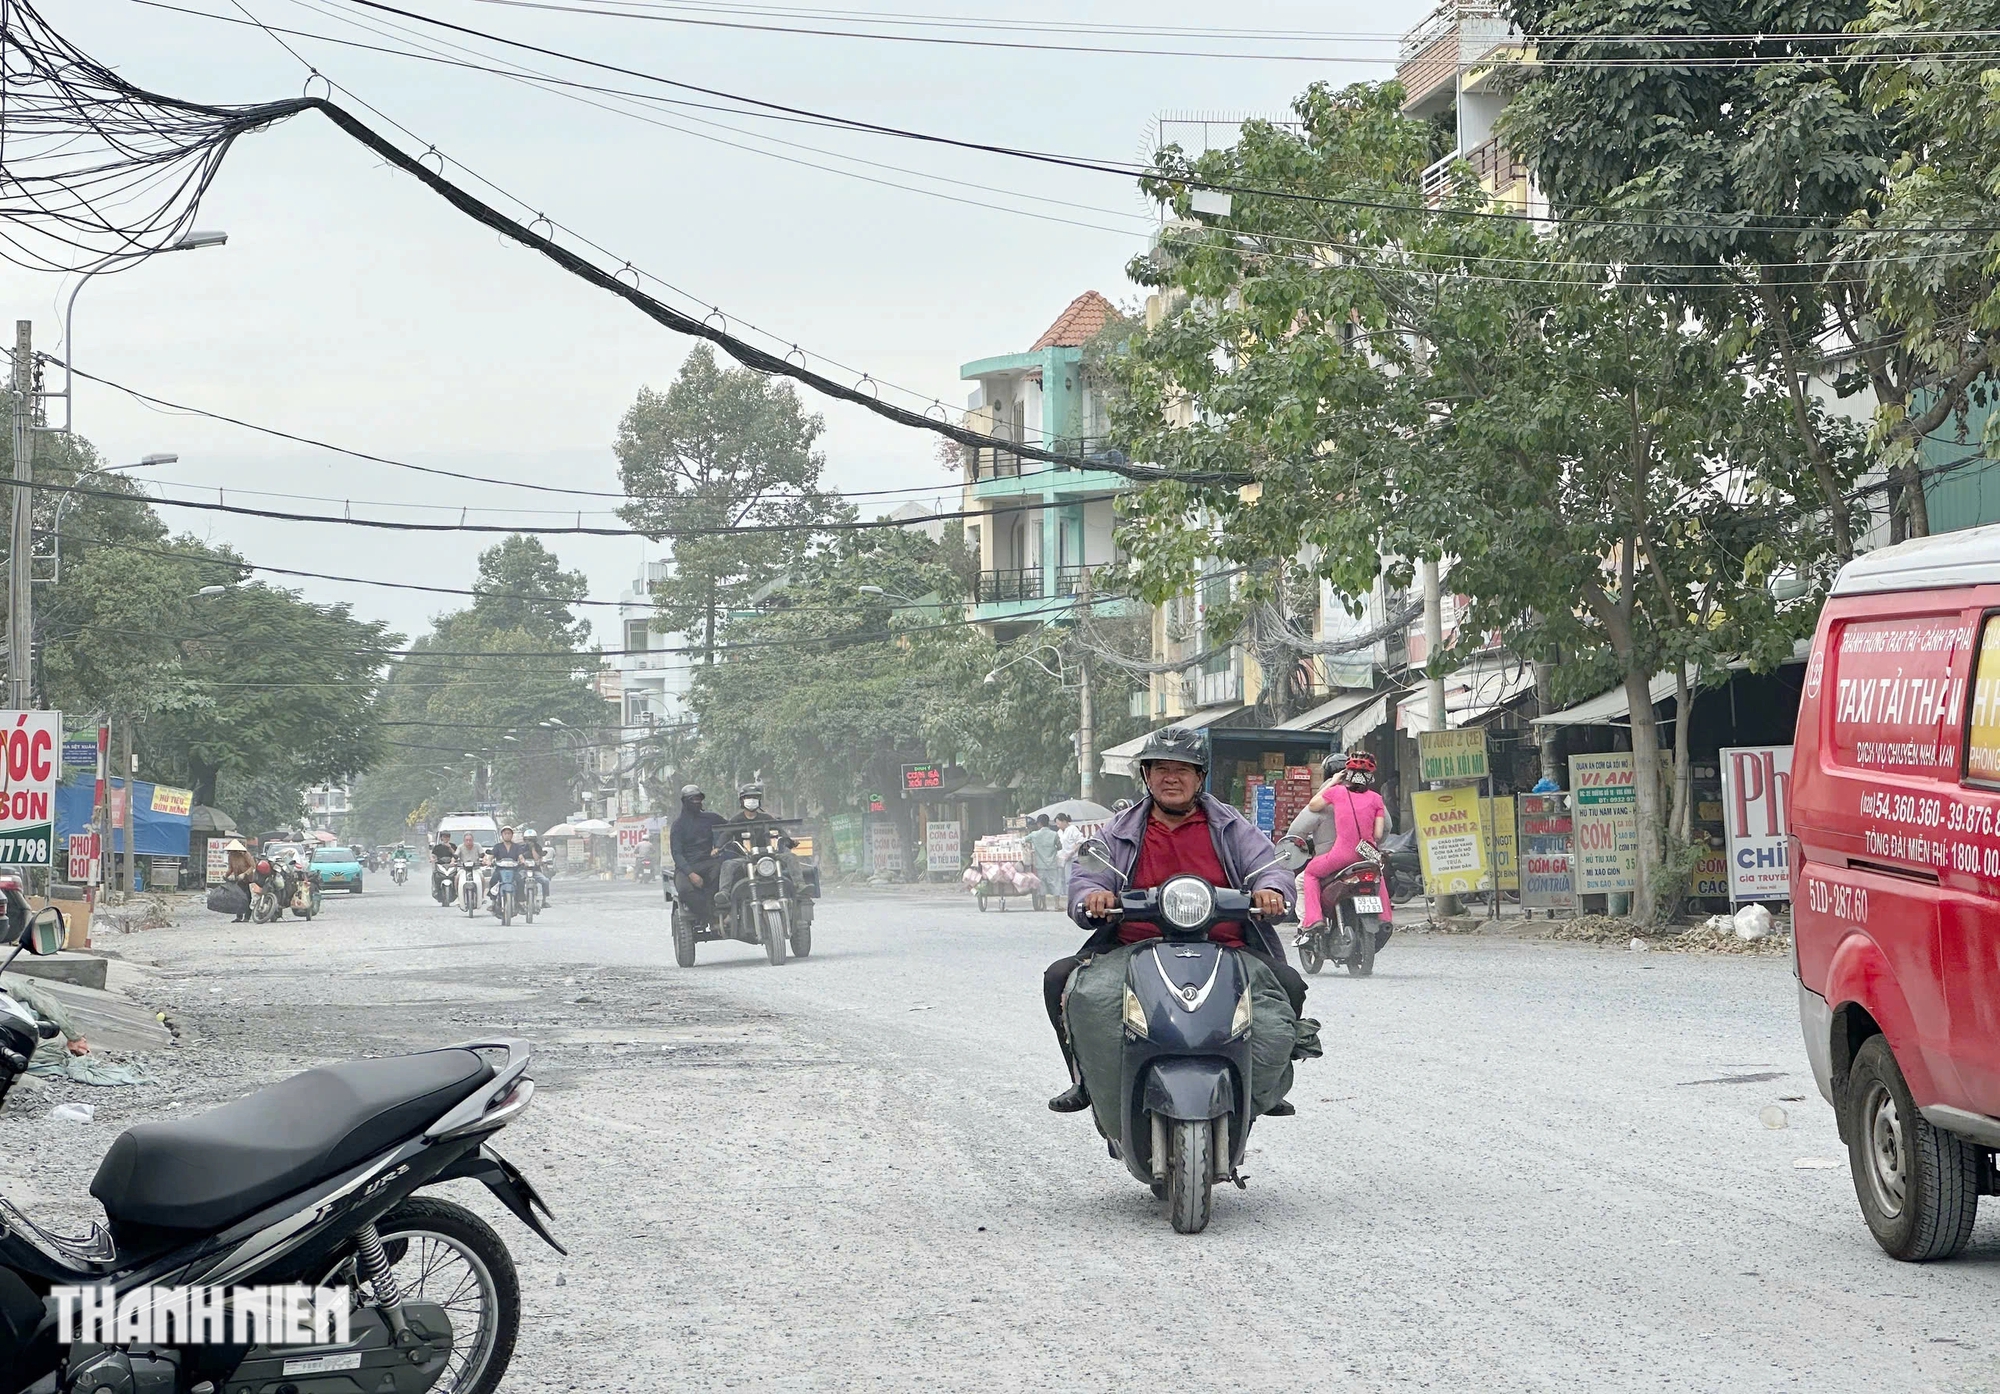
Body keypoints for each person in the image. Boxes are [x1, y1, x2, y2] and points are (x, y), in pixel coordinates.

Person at [1044, 727, 1302, 1115]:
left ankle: (1266, 1083)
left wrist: (1272, 891)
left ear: (1200, 777)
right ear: (1145, 777)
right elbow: (1091, 872)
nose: (1171, 777)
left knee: (1289, 985)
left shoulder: (1231, 826)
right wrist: (1091, 897)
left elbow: (1267, 866)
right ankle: (1083, 1080)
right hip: (1131, 947)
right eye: (1160, 768)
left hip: (1225, 947)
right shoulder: (1119, 829)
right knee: (1059, 978)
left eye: (1183, 769)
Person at [1291, 751, 1392, 935]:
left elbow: (1298, 829)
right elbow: (1382, 831)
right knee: (1378, 872)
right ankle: (1385, 918)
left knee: (1309, 875)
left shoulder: (1334, 793)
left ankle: (1313, 920)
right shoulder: (1376, 798)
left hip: (1339, 856)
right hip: (1368, 852)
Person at [670, 785, 728, 922]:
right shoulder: (678, 825)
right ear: (685, 802)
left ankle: (722, 909)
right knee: (685, 891)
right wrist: (691, 874)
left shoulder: (711, 818)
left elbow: (730, 828)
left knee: (723, 870)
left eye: (698, 799)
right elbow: (677, 853)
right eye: (692, 799)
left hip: (708, 862)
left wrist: (719, 846)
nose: (696, 802)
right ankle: (710, 917)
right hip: (686, 867)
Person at [1023, 815, 1062, 910]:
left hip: (1040, 864)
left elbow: (1022, 840)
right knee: (1055, 883)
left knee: (1042, 885)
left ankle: (1044, 906)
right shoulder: (1054, 834)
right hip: (1052, 864)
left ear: (1039, 823)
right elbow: (1060, 847)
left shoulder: (1034, 834)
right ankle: (1056, 905)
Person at [222, 840, 256, 923]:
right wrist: (225, 875)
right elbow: (231, 868)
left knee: (248, 898)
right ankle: (239, 916)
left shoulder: (245, 854)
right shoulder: (231, 856)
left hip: (249, 879)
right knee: (238, 898)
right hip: (239, 879)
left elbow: (253, 866)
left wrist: (244, 874)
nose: (232, 852)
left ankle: (247, 917)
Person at [1054, 812, 1084, 900]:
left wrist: (1071, 852)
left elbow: (1080, 842)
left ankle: (1072, 897)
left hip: (1073, 858)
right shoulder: (1059, 832)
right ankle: (1066, 897)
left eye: (1058, 823)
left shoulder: (1072, 829)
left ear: (1064, 821)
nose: (1058, 825)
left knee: (1070, 879)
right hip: (1062, 858)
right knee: (1062, 880)